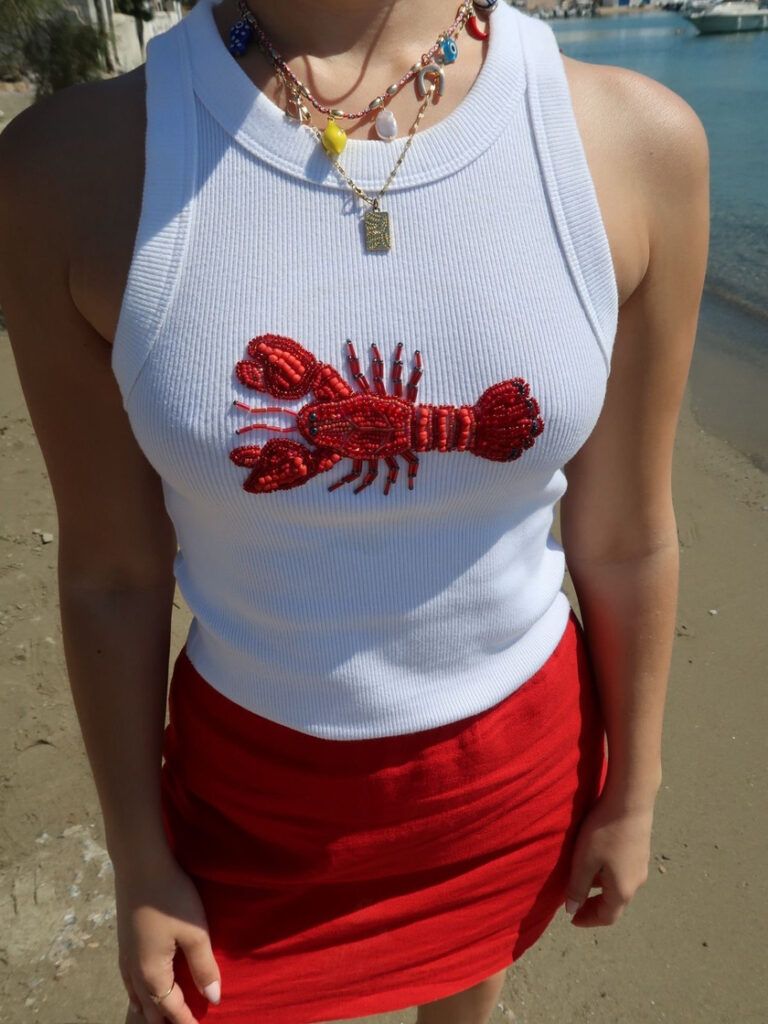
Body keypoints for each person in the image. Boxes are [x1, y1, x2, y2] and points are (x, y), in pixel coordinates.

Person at [0, 0, 709, 1021]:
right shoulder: (61, 174)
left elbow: (629, 537)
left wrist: (633, 791)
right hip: (247, 798)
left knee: (464, 997)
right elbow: (112, 572)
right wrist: (139, 857)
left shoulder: (640, 145)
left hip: (514, 780)